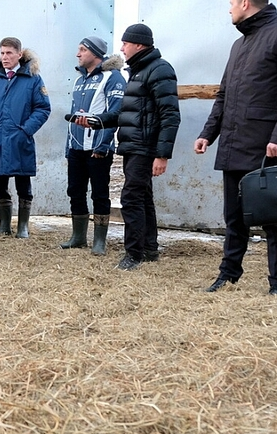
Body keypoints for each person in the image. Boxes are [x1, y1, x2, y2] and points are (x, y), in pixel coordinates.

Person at [194, 0, 277, 295]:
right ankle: (228, 275)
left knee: (274, 219)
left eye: (232, 2)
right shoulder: (239, 44)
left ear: (245, 3)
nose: (229, 8)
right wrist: (208, 133)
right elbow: (224, 96)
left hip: (267, 147)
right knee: (234, 218)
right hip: (234, 145)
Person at [100, 24, 181, 270]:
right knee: (143, 197)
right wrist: (98, 121)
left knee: (131, 197)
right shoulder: (138, 71)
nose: (122, 48)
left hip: (145, 147)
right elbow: (129, 112)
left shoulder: (159, 70)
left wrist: (162, 155)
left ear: (139, 44)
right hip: (134, 146)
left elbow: (170, 115)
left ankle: (133, 254)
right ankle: (148, 249)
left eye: (125, 43)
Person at [0, 37, 51, 239]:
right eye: (2, 53)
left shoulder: (33, 79)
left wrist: (26, 130)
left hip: (20, 140)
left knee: (23, 181)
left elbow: (42, 108)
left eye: (9, 53)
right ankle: (3, 224)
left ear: (19, 54)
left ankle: (23, 226)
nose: (5, 57)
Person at [61, 36, 126, 256]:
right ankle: (78, 237)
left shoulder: (113, 77)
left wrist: (103, 144)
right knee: (75, 192)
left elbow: (115, 113)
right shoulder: (79, 80)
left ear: (95, 53)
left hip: (98, 148)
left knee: (100, 193)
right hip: (76, 147)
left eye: (82, 50)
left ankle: (99, 241)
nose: (78, 54)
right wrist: (68, 146)